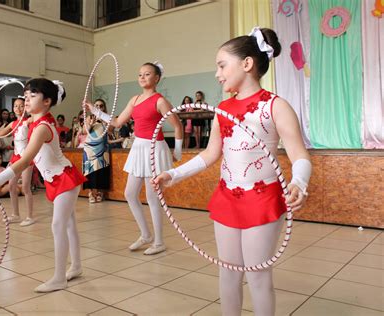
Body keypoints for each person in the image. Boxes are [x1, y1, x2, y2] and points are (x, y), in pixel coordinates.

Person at [152, 27, 311, 315]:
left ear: (247, 64)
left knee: (258, 275)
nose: (217, 73)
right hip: (227, 197)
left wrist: (299, 181)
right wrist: (172, 175)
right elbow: (210, 154)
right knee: (229, 273)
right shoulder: (223, 109)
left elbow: (299, 154)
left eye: (222, 65)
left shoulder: (276, 106)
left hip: (262, 199)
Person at [0, 78, 86, 293]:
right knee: (69, 224)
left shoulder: (42, 127)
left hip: (65, 178)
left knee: (58, 225)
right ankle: (77, 267)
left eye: (32, 96)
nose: (26, 99)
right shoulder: (34, 122)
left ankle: (59, 277)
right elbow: (6, 131)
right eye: (25, 95)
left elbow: (25, 161)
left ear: (47, 102)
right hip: (57, 178)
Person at [86, 62, 184, 255]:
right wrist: (95, 111)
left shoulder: (160, 101)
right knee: (130, 194)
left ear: (156, 78)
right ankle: (146, 235)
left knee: (152, 197)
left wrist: (178, 151)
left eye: (147, 74)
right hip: (138, 148)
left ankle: (159, 241)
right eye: (140, 74)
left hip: (155, 149)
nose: (142, 77)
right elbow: (116, 122)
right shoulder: (135, 99)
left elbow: (178, 126)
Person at [0, 97, 35, 227]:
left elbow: (36, 119)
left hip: (27, 157)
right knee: (12, 185)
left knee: (25, 187)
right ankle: (16, 214)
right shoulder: (12, 124)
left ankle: (30, 216)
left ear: (26, 107)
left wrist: (30, 117)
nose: (18, 109)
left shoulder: (29, 121)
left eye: (21, 106)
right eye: (16, 106)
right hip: (15, 157)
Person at [82, 99, 110, 203]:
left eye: (101, 106)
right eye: (96, 105)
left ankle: (100, 192)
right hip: (90, 148)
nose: (98, 107)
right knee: (90, 170)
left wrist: (103, 120)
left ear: (104, 107)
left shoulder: (107, 118)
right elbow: (84, 131)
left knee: (101, 170)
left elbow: (111, 130)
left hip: (103, 148)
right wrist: (91, 124)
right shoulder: (90, 117)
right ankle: (91, 192)